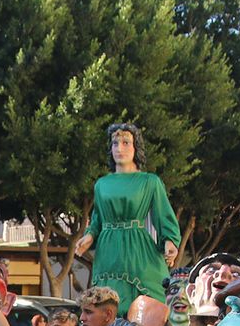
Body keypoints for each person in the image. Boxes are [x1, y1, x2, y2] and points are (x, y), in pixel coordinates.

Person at [75, 122, 181, 311]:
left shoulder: (150, 182)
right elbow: (98, 218)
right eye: (115, 143)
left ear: (136, 147)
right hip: (108, 251)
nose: (119, 148)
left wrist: (170, 241)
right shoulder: (101, 184)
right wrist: (89, 236)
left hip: (137, 248)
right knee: (107, 303)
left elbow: (163, 214)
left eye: (126, 143)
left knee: (148, 304)